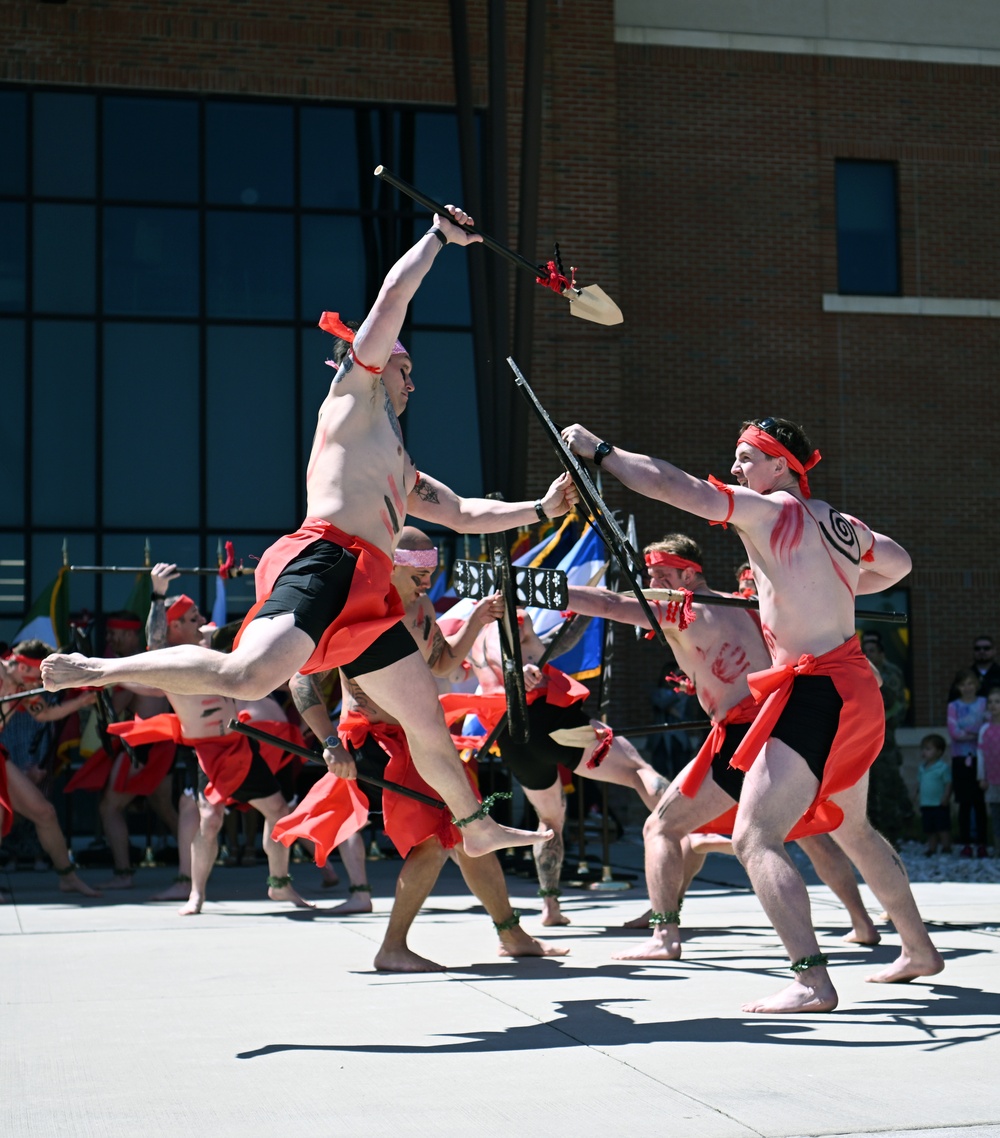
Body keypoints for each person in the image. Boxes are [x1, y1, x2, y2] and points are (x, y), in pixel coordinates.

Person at [41, 204, 577, 860]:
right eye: (407, 369)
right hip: (322, 560)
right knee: (244, 677)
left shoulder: (398, 462)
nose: (415, 380)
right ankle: (96, 668)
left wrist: (543, 509)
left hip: (368, 592)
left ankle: (474, 822)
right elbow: (393, 297)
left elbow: (465, 513)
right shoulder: (355, 397)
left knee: (423, 717)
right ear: (379, 362)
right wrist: (439, 238)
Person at [561, 414, 944, 1012]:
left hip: (817, 689)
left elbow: (673, 485)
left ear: (779, 467)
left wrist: (601, 450)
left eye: (745, 458)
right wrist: (837, 585)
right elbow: (897, 564)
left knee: (755, 836)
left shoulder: (770, 510)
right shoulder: (837, 523)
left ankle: (812, 981)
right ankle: (918, 949)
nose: (736, 468)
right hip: (850, 685)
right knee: (854, 827)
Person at [564, 534, 880, 958]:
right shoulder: (748, 603)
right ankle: (862, 924)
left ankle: (664, 937)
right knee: (807, 836)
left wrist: (549, 589)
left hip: (743, 738)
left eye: (662, 575)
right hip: (789, 724)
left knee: (661, 827)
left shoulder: (680, 611)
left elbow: (607, 605)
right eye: (650, 576)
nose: (654, 583)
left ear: (690, 573)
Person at [289, 527, 567, 969]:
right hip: (373, 739)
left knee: (469, 832)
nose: (426, 583)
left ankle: (510, 933)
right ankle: (393, 949)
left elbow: (441, 662)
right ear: (391, 564)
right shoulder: (353, 610)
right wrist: (328, 743)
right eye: (418, 573)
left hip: (420, 738)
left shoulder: (419, 608)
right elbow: (300, 677)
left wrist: (476, 620)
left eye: (431, 573)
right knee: (443, 837)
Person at [108, 571, 313, 915]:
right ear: (174, 627)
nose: (201, 620)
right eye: (192, 618)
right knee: (210, 818)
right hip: (204, 752)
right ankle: (196, 893)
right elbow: (154, 642)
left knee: (278, 810)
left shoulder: (212, 645)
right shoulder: (166, 662)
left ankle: (279, 884)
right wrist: (158, 596)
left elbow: (250, 625)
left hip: (238, 745)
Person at [469, 605, 669, 926]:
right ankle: (683, 828)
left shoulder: (475, 636)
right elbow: (507, 648)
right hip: (549, 722)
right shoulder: (506, 625)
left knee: (548, 822)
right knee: (639, 770)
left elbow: (553, 645)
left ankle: (550, 908)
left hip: (511, 737)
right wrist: (517, 671)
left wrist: (588, 609)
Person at [94, 608, 186, 895]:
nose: (110, 638)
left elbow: (117, 706)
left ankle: (124, 873)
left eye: (114, 633)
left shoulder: (134, 663)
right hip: (162, 743)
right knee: (165, 808)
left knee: (109, 807)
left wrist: (99, 688)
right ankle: (192, 871)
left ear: (130, 633)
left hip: (143, 745)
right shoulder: (146, 659)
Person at [0, 644, 100, 898]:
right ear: (22, 667)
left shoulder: (22, 685)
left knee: (44, 812)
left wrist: (81, 701)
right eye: (36, 675)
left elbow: (44, 714)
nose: (39, 682)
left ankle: (68, 877)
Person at [861, 630, 913, 847]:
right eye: (865, 650)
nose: (868, 654)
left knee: (890, 787)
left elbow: (899, 705)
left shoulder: (891, 673)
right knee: (867, 791)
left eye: (872, 651)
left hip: (886, 742)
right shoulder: (858, 671)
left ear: (881, 653)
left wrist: (881, 720)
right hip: (863, 740)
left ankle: (895, 834)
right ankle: (871, 837)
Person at [947, 668, 989, 858]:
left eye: (971, 683)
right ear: (958, 687)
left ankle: (981, 842)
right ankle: (965, 843)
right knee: (964, 802)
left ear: (977, 685)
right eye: (963, 684)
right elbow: (954, 732)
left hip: (981, 757)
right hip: (960, 759)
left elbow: (986, 728)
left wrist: (969, 731)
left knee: (979, 802)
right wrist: (975, 731)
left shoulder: (984, 703)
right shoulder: (953, 706)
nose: (967, 688)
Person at [916, 734, 952, 855]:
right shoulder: (922, 768)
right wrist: (916, 796)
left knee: (942, 826)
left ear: (939, 752)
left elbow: (948, 783)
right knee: (929, 828)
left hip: (939, 803)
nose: (924, 752)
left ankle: (946, 846)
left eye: (928, 749)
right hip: (926, 803)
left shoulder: (942, 768)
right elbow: (920, 784)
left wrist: (946, 796)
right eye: (923, 749)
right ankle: (932, 847)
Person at [977, 688, 1000, 855]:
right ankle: (998, 846)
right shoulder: (984, 729)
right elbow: (981, 755)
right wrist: (981, 777)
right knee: (995, 814)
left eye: (997, 702)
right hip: (991, 779)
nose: (993, 705)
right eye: (990, 702)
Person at [949, 635, 1000, 700]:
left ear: (994, 651)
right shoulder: (964, 675)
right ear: (973, 651)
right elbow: (954, 699)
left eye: (986, 648)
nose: (982, 651)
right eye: (977, 649)